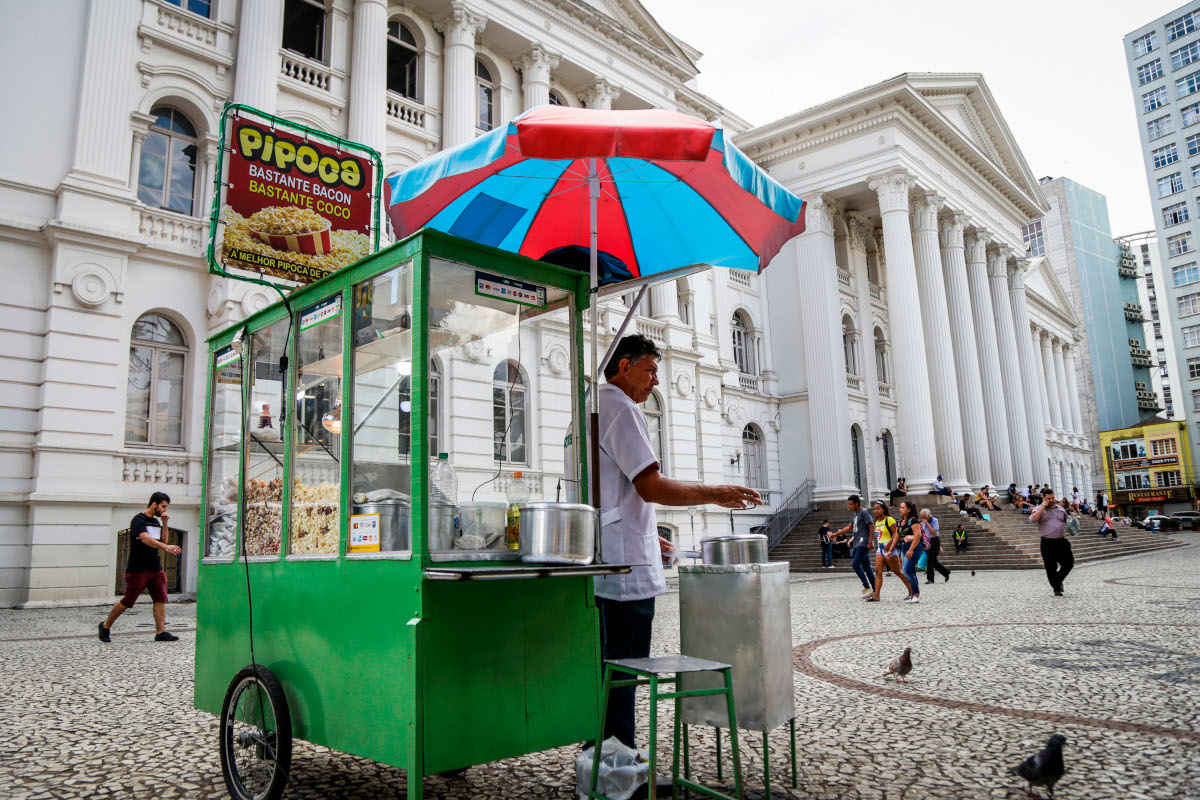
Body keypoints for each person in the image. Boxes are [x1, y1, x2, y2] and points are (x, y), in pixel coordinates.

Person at [592, 335, 762, 748]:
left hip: (605, 557)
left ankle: (598, 756)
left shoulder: (592, 404)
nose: (654, 380)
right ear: (624, 366)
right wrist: (715, 493)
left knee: (605, 669)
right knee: (624, 670)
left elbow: (611, 490)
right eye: (649, 369)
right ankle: (619, 764)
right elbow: (650, 486)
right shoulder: (621, 407)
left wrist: (652, 537)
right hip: (624, 570)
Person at [99, 492, 182, 643]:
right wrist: (166, 547)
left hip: (155, 567)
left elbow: (162, 540)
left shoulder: (156, 522)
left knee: (160, 599)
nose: (165, 510)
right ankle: (105, 626)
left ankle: (160, 632)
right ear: (154, 504)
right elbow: (145, 539)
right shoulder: (139, 520)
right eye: (163, 506)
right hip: (138, 568)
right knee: (128, 601)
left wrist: (164, 523)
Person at [865, 500, 912, 602]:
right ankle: (876, 595)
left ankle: (911, 591)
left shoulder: (889, 519)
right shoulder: (877, 522)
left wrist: (890, 545)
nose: (876, 511)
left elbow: (896, 533)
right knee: (878, 571)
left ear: (883, 509)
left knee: (897, 571)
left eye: (878, 509)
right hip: (880, 548)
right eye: (874, 509)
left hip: (890, 548)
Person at [831, 495, 876, 597]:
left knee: (856, 564)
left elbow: (871, 526)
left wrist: (870, 541)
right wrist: (836, 534)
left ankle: (867, 587)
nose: (849, 506)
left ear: (857, 503)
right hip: (857, 542)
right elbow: (849, 527)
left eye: (851, 504)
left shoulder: (864, 512)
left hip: (863, 542)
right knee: (867, 566)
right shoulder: (855, 514)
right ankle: (875, 589)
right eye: (848, 504)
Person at [1030, 488, 1071, 597]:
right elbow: (1032, 519)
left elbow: (1067, 520)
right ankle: (1057, 588)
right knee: (1051, 567)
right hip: (1048, 542)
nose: (1051, 500)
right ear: (1044, 498)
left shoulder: (1060, 508)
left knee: (1069, 563)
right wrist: (1042, 508)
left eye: (1052, 498)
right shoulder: (1039, 508)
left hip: (1062, 541)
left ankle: (1057, 580)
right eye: (1049, 498)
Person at [897, 501, 925, 604]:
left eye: (903, 507)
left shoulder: (913, 520)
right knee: (911, 571)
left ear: (909, 509)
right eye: (900, 507)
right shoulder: (901, 521)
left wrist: (911, 549)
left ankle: (916, 594)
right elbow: (897, 536)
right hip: (904, 547)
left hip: (914, 547)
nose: (900, 509)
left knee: (906, 571)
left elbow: (918, 535)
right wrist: (891, 549)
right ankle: (913, 594)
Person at [920, 508, 951, 584]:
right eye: (922, 517)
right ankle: (946, 572)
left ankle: (930, 579)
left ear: (929, 515)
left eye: (924, 517)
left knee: (930, 559)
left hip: (934, 541)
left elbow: (934, 532)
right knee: (934, 561)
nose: (923, 518)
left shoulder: (934, 520)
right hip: (928, 541)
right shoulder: (923, 521)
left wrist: (927, 523)